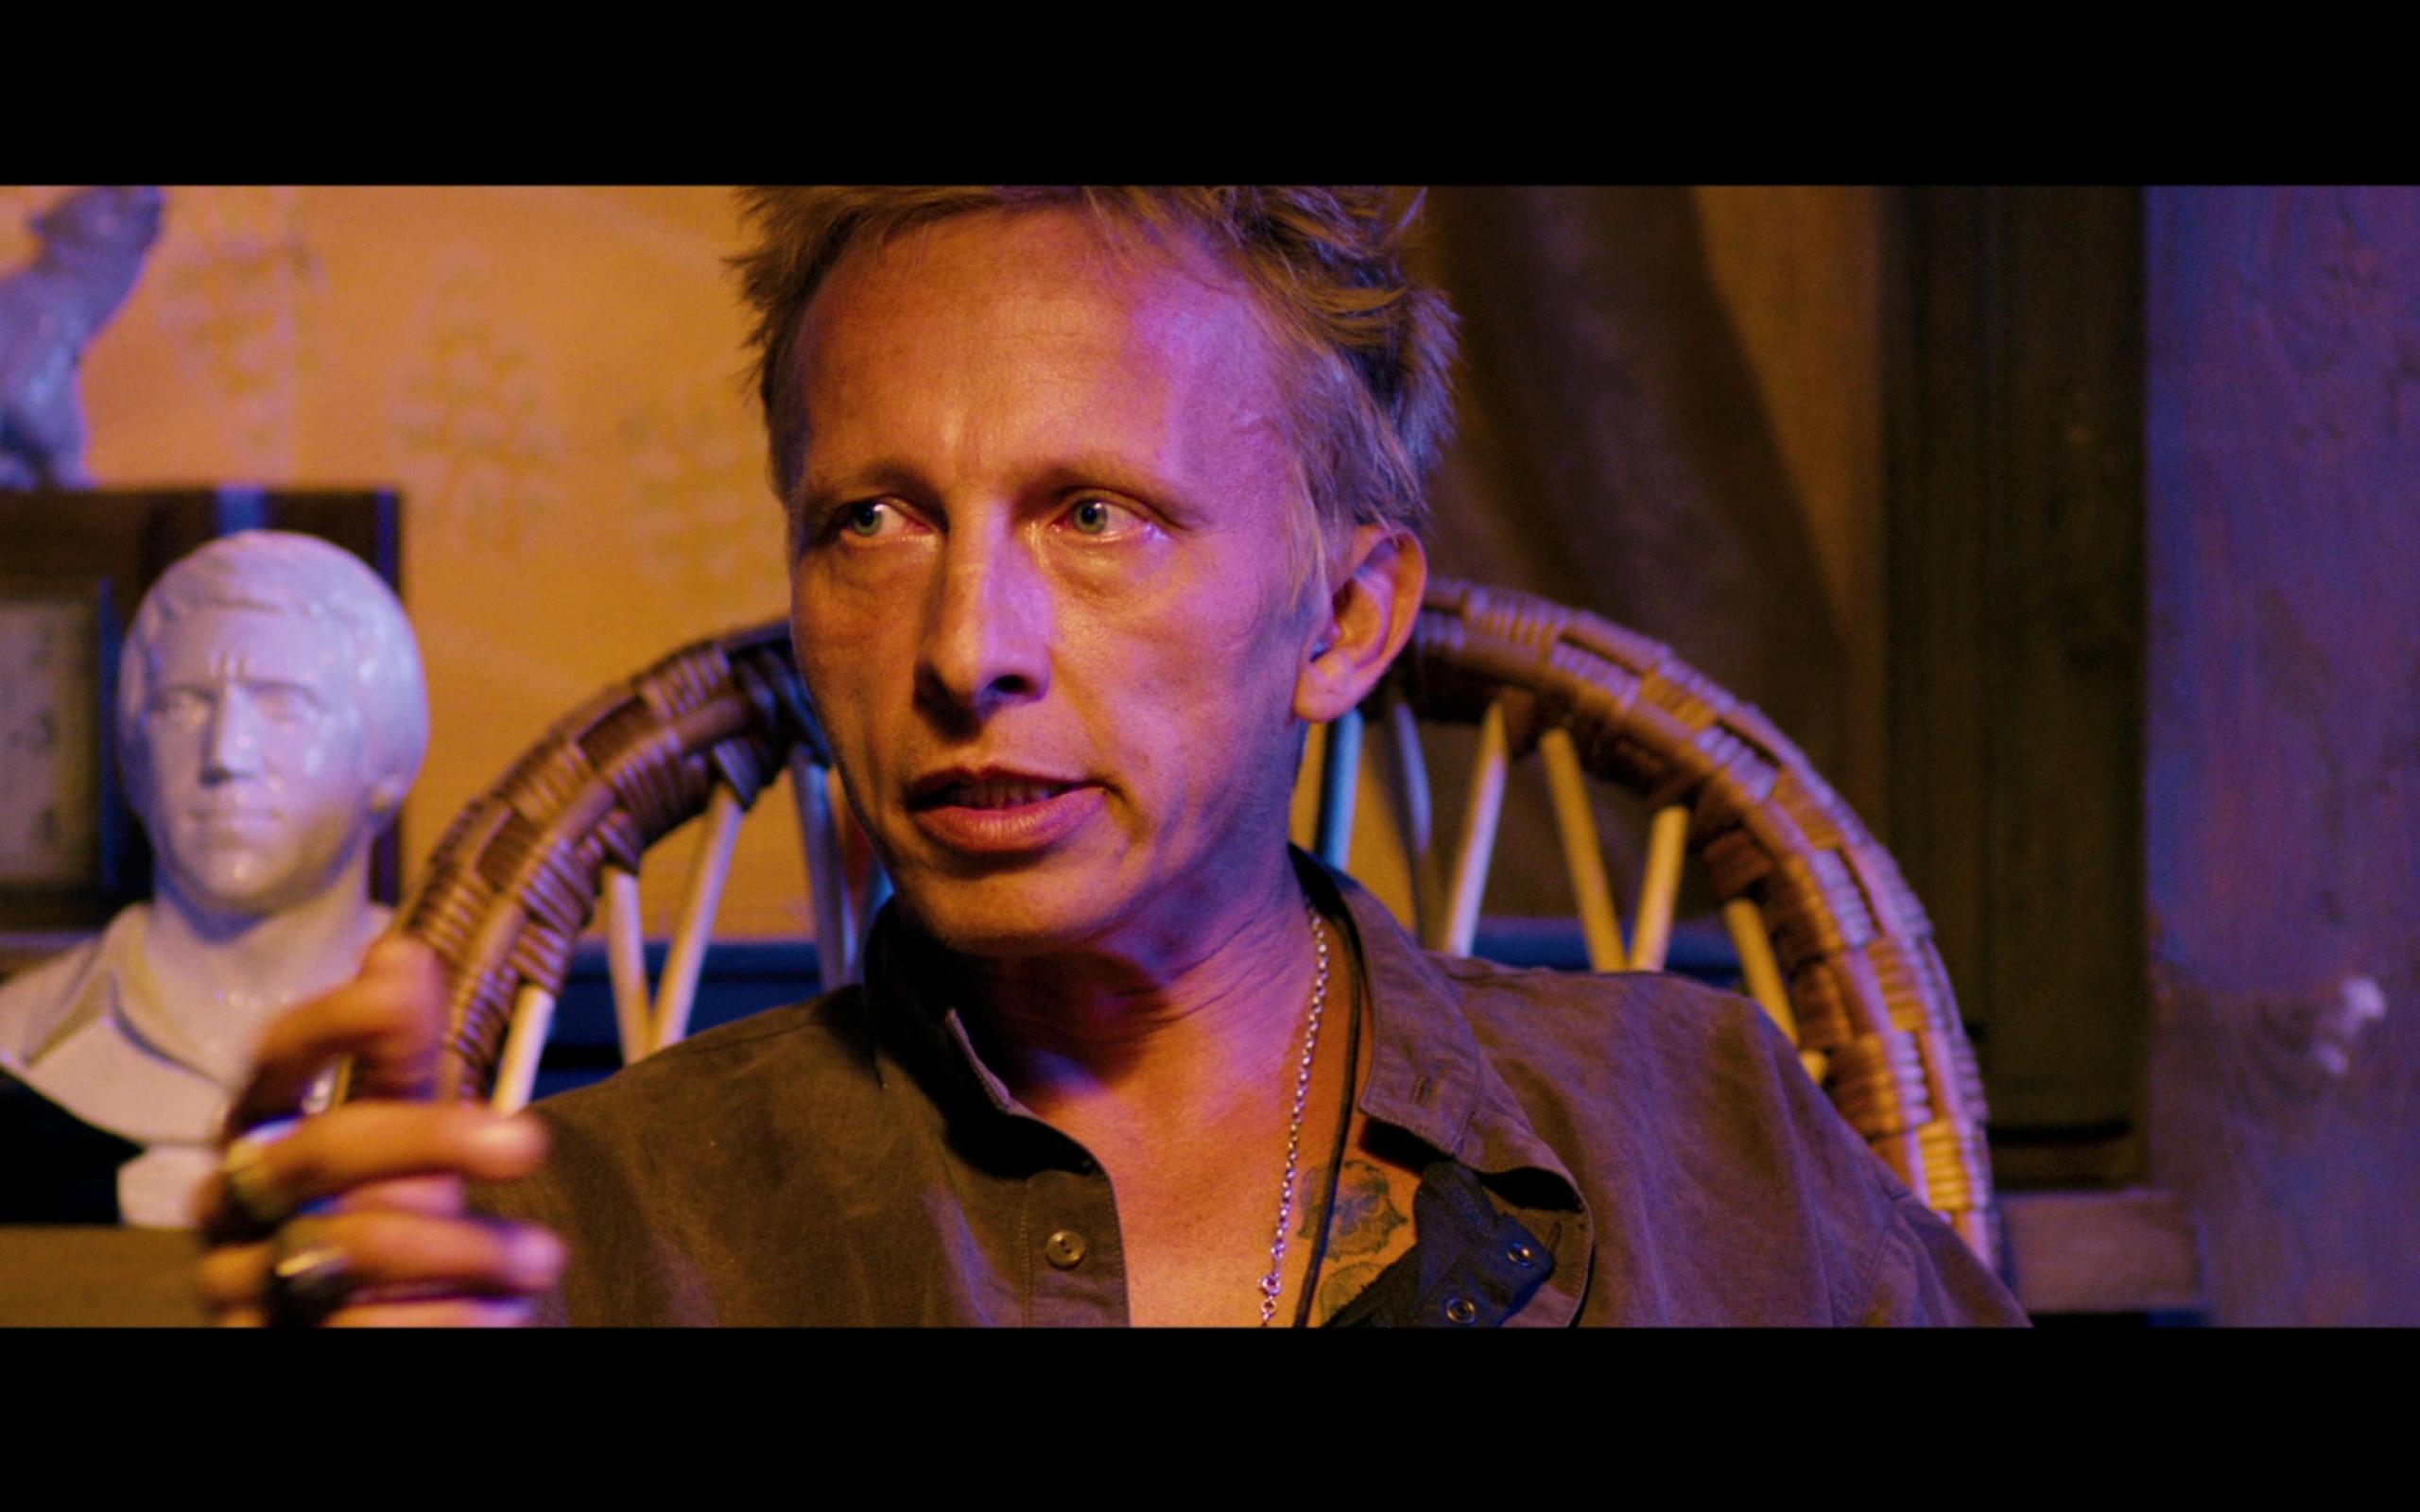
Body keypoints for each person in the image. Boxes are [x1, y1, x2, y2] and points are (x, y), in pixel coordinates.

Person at [193, 188, 2027, 1326]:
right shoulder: (589, 1231)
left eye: (1093, 514)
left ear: (1345, 616)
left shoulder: (1693, 1132)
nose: (962, 647)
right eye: (870, 520)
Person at [0, 529, 426, 1228]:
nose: (227, 754)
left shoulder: (474, 1033)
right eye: (183, 705)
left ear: (385, 757)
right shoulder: (22, 1041)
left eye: (284, 704)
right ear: (136, 757)